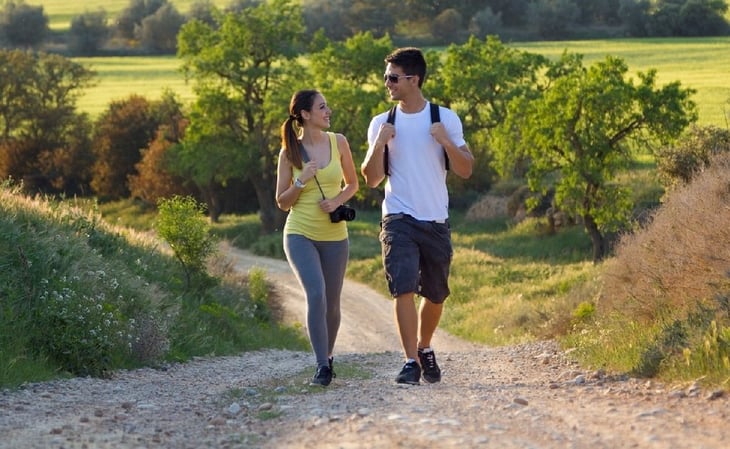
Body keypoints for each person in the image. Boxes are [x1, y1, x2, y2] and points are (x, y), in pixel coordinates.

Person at [361, 47, 474, 385]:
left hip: (435, 218)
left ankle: (424, 346)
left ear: (414, 79)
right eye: (386, 77)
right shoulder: (382, 123)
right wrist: (378, 144)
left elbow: (466, 170)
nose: (387, 84)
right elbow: (371, 179)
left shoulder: (444, 118)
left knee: (436, 294)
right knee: (404, 287)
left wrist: (446, 142)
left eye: (393, 78)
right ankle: (410, 360)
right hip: (398, 216)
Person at [275, 90, 359, 386]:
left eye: (327, 106)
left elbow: (353, 184)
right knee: (316, 294)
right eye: (322, 107)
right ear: (306, 115)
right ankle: (322, 366)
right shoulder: (289, 152)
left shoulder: (340, 142)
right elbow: (282, 202)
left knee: (333, 303)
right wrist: (301, 181)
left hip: (335, 235)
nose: (328, 111)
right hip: (300, 233)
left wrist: (336, 201)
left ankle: (329, 355)